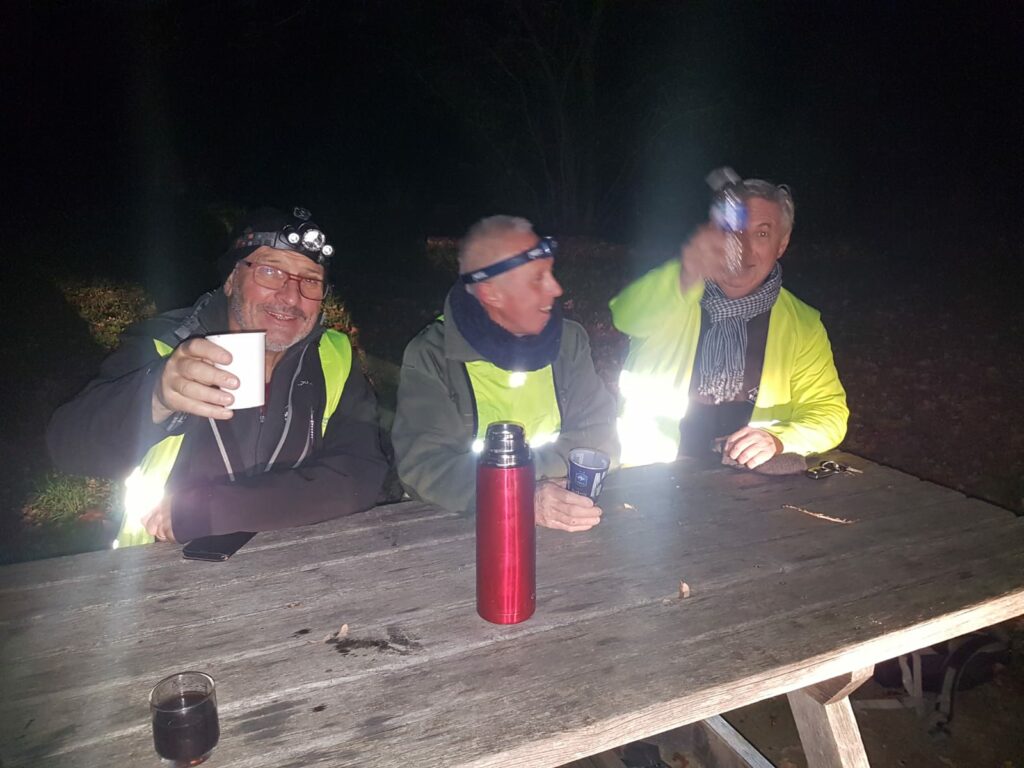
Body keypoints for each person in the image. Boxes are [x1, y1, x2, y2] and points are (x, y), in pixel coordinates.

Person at [47, 207, 388, 545]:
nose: (290, 296)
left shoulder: (332, 355)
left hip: (301, 560)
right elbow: (68, 448)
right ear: (230, 280)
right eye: (271, 272)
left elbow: (361, 474)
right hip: (166, 570)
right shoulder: (168, 346)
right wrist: (157, 395)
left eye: (310, 281)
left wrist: (213, 510)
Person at [391, 215, 619, 532]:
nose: (557, 289)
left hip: (567, 522)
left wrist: (517, 484)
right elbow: (427, 470)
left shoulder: (569, 340)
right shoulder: (432, 355)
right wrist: (520, 494)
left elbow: (602, 440)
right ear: (491, 293)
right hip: (462, 536)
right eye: (537, 279)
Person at [610, 178, 848, 468]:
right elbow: (626, 316)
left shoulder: (802, 324)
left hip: (749, 487)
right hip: (651, 477)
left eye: (761, 234)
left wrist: (777, 439)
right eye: (732, 232)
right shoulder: (675, 291)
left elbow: (829, 414)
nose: (743, 250)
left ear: (781, 244)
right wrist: (687, 271)